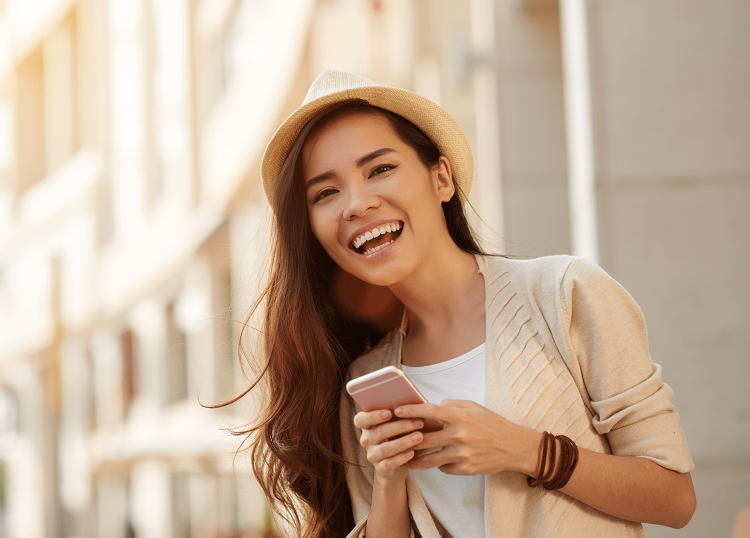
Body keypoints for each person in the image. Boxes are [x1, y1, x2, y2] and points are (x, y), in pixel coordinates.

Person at [225, 70, 696, 538]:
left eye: (380, 169)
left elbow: (675, 498)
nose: (357, 203)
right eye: (326, 192)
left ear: (442, 178)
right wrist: (389, 479)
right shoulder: (365, 380)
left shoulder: (566, 295)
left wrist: (527, 451)